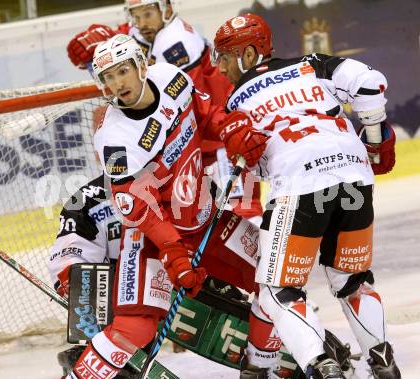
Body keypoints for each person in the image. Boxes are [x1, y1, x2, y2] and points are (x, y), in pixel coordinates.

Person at [55, 33, 286, 379]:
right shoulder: (115, 139)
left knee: (276, 277)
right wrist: (173, 251)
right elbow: (137, 207)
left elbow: (206, 113)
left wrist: (229, 130)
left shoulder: (172, 79)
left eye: (122, 71)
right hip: (153, 240)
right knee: (136, 327)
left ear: (141, 66)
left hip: (207, 219)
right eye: (108, 77)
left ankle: (260, 368)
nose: (118, 84)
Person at [211, 12, 400, 379]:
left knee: (278, 291)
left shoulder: (236, 103)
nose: (219, 67)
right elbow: (369, 84)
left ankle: (322, 367)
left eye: (225, 56)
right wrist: (374, 140)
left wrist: (245, 155)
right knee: (353, 282)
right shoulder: (312, 64)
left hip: (299, 185)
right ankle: (383, 363)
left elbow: (251, 166)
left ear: (249, 54)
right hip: (354, 177)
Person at [66, 0, 263, 220]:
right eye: (136, 16)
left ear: (167, 9)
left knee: (244, 212)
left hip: (220, 138)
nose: (141, 23)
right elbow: (127, 39)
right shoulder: (150, 29)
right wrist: (103, 37)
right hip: (201, 144)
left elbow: (180, 106)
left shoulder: (175, 43)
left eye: (147, 14)